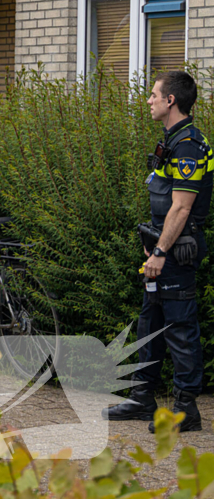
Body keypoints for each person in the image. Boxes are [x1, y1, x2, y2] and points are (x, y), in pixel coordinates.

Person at [103, 71, 211, 433]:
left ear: (171, 101)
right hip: (162, 249)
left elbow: (181, 207)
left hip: (176, 253)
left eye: (153, 95)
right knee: (150, 324)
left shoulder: (189, 146)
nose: (148, 100)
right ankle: (142, 399)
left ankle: (186, 410)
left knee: (180, 329)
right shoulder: (173, 139)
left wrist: (161, 252)